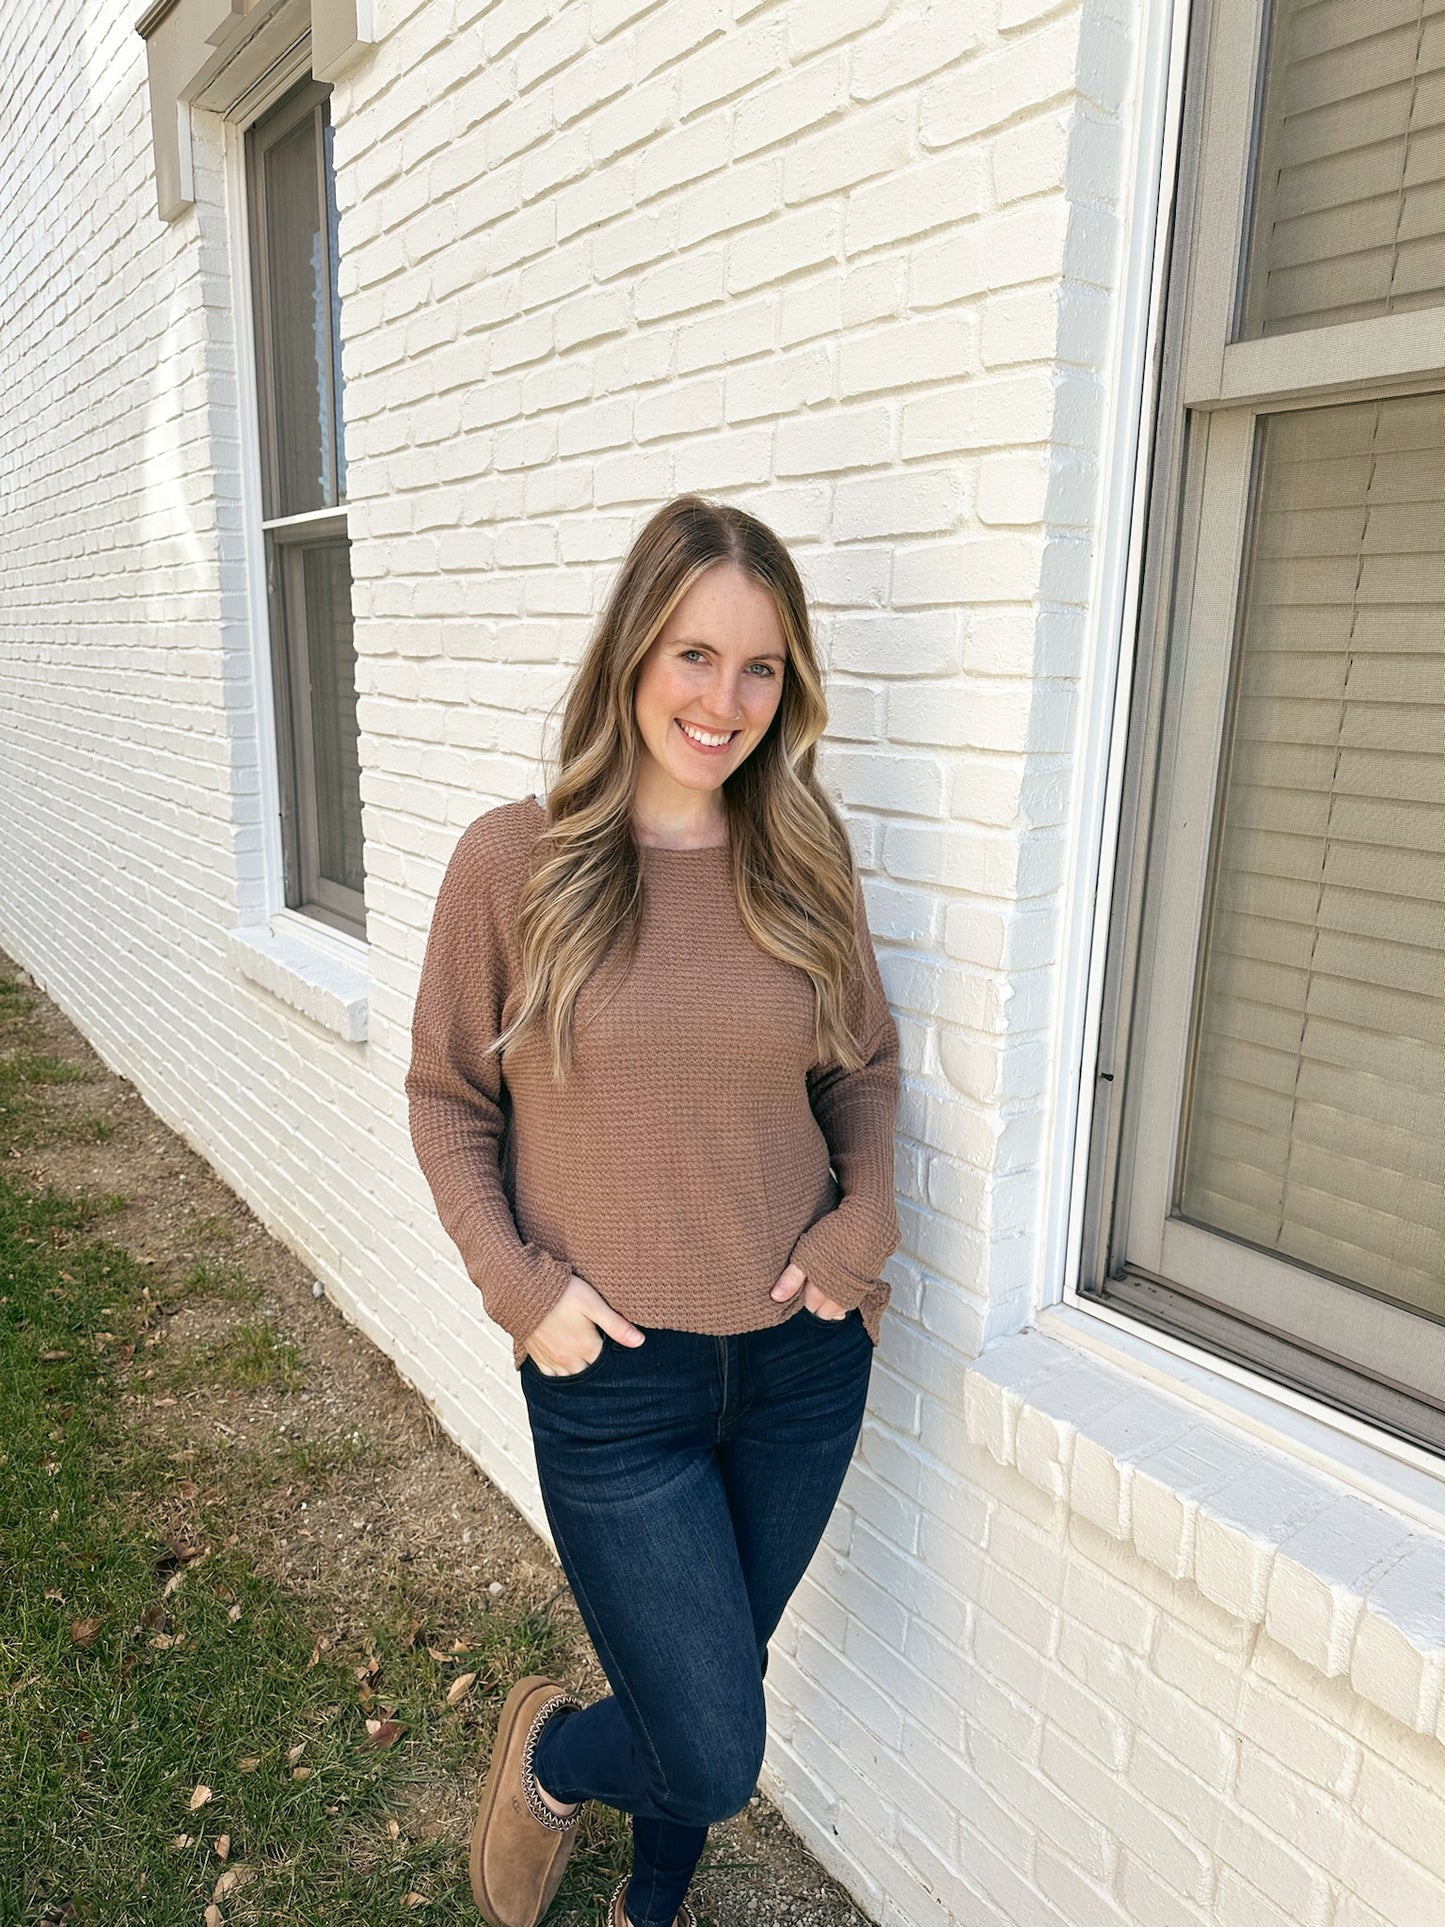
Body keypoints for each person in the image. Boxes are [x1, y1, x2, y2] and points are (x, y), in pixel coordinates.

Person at [405, 494, 902, 1927]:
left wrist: (858, 1226)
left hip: (804, 1363)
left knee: (710, 1675)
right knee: (711, 1735)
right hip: (612, 1376)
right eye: (694, 655)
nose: (723, 700)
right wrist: (519, 1290)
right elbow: (448, 1100)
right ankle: (555, 1754)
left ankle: (650, 1900)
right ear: (631, 653)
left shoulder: (802, 853)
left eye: (760, 668)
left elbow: (861, 1069)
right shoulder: (519, 861)